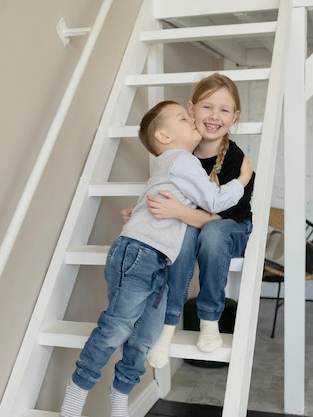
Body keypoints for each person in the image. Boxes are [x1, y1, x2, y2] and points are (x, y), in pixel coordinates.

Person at [60, 100, 253, 417]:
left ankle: (119, 398)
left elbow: (170, 203)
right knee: (117, 328)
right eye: (183, 116)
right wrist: (242, 181)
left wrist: (136, 213)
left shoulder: (173, 166)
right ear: (164, 137)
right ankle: (75, 397)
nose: (192, 118)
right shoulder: (181, 160)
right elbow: (216, 202)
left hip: (160, 259)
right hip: (140, 254)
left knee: (144, 337)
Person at [144, 73, 255, 368]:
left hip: (233, 229)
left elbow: (222, 215)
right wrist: (144, 212)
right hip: (198, 225)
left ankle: (208, 319)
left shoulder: (234, 158)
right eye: (207, 107)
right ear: (191, 109)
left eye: (224, 109)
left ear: (235, 116)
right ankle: (167, 326)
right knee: (182, 235)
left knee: (213, 233)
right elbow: (164, 190)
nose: (214, 116)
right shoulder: (182, 153)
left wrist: (180, 213)